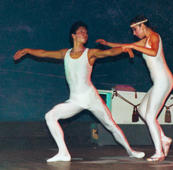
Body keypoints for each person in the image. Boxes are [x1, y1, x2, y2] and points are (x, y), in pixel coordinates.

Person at [13, 21, 145, 162]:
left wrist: (124, 48)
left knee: (111, 125)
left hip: (91, 98)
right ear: (73, 35)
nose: (85, 34)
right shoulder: (66, 53)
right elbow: (44, 53)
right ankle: (63, 153)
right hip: (75, 100)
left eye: (86, 32)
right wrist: (27, 50)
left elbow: (109, 52)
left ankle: (131, 151)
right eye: (81, 32)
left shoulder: (90, 53)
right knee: (50, 116)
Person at [96, 15, 173, 162]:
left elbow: (153, 52)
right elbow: (125, 45)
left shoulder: (155, 37)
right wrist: (107, 43)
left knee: (150, 116)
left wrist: (133, 46)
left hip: (164, 81)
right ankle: (164, 138)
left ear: (142, 26)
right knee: (141, 110)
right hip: (159, 82)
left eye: (134, 29)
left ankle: (159, 153)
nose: (133, 33)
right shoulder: (146, 40)